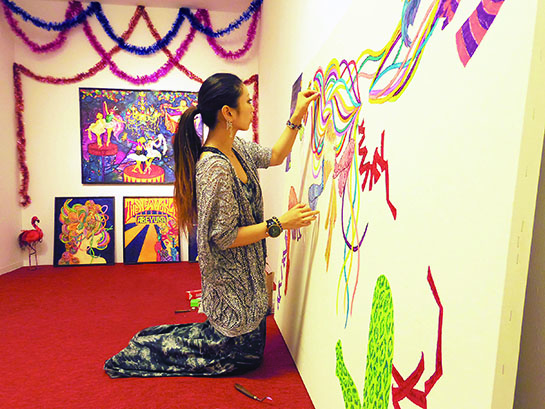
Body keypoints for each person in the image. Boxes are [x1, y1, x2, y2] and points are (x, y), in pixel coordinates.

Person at [104, 73, 320, 378]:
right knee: (241, 358)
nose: (252, 107)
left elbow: (274, 155)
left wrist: (296, 116)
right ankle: (141, 347)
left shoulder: (238, 148)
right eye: (248, 101)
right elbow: (223, 237)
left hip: (248, 286)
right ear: (228, 113)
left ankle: (151, 340)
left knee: (251, 352)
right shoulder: (214, 168)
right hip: (232, 288)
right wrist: (279, 224)